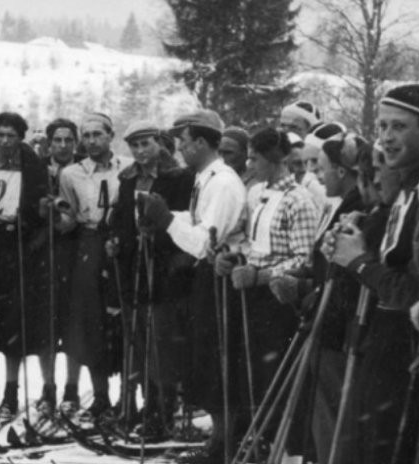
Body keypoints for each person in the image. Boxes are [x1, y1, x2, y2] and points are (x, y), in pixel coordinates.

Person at [323, 84, 419, 464]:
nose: (385, 137)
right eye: (382, 126)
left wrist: (359, 263)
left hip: (408, 343)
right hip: (387, 340)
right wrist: (358, 236)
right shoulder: (408, 185)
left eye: (399, 127)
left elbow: (418, 293)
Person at [141, 109, 246, 459]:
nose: (181, 149)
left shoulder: (224, 182)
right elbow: (198, 221)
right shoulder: (204, 177)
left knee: (217, 359)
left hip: (220, 276)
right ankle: (220, 436)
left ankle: (225, 441)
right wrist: (165, 218)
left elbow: (206, 239)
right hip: (206, 276)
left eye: (185, 142)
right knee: (204, 358)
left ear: (202, 142)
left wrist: (168, 220)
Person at [216, 128, 319, 457]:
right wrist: (235, 256)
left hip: (277, 297)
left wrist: (262, 275)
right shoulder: (257, 192)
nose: (250, 164)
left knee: (272, 372)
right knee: (249, 370)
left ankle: (278, 443)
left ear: (275, 159)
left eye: (255, 158)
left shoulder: (298, 200)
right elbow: (250, 241)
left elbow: (304, 259)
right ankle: (254, 437)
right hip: (250, 290)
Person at [270, 132, 368, 462]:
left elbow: (345, 278)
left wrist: (303, 289)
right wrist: (303, 277)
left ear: (342, 170)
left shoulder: (357, 207)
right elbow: (322, 266)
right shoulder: (337, 204)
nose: (314, 173)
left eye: (320, 166)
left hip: (337, 330)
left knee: (332, 417)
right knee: (320, 416)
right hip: (323, 323)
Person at [110, 120, 194, 436]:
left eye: (146, 144)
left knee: (163, 341)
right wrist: (117, 239)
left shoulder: (179, 177)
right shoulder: (129, 178)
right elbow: (120, 217)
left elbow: (183, 220)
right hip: (135, 265)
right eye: (135, 145)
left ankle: (164, 409)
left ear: (159, 143)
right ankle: (147, 404)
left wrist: (161, 237)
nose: (141, 151)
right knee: (140, 338)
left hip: (165, 267)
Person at [0, 112, 49, 419]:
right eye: (0, 135)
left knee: (14, 322)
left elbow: (40, 211)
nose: (5, 141)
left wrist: (27, 224)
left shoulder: (32, 165)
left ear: (21, 138)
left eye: (11, 136)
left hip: (18, 250)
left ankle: (11, 391)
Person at [57, 112, 133, 421]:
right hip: (88, 244)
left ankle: (130, 399)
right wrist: (55, 216)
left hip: (123, 244)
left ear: (110, 135)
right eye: (85, 136)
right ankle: (100, 396)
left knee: (125, 319)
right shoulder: (71, 174)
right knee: (90, 322)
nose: (91, 141)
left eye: (97, 135)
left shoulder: (128, 168)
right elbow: (69, 220)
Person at [34, 117, 82, 414]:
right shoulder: (38, 170)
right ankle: (48, 385)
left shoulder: (83, 169)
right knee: (45, 323)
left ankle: (72, 387)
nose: (63, 146)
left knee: (74, 321)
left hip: (76, 250)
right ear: (48, 143)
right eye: (57, 140)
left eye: (68, 140)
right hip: (44, 251)